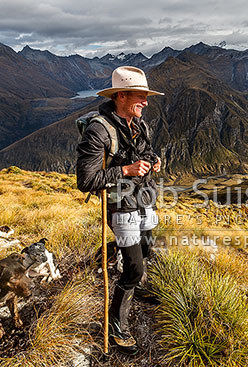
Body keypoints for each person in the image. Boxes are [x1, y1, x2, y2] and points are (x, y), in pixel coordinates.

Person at [76, 66, 163, 355]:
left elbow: (145, 153)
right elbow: (86, 181)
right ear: (122, 96)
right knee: (135, 267)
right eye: (141, 96)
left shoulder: (140, 125)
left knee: (147, 248)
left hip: (144, 199)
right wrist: (126, 170)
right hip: (120, 205)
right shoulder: (98, 131)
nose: (146, 102)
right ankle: (116, 324)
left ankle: (124, 266)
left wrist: (154, 161)